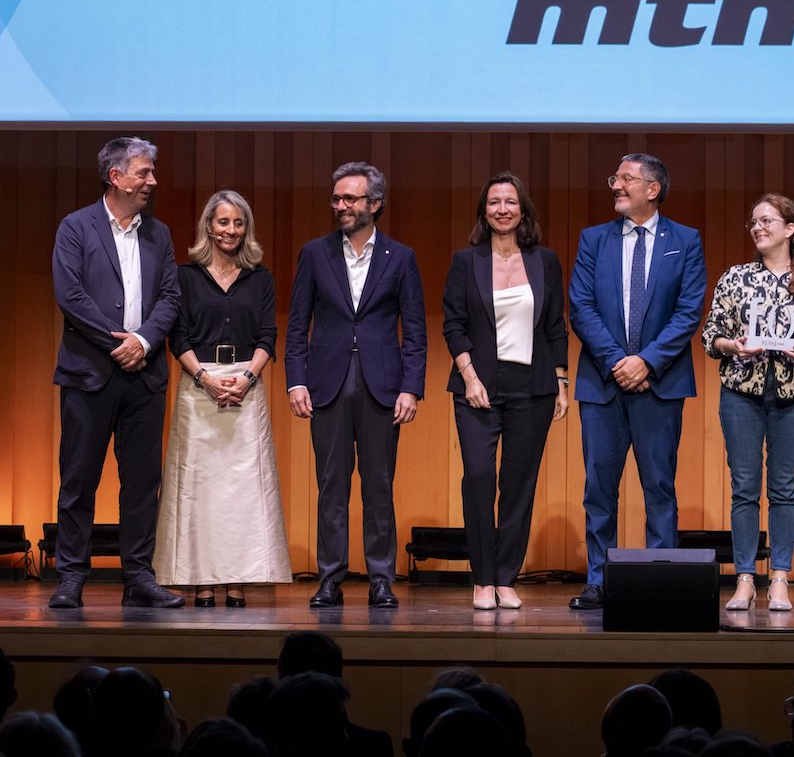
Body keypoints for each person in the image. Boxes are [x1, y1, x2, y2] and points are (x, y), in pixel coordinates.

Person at [567, 153, 707, 610]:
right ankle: (598, 580)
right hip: (603, 383)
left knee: (659, 487)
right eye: (615, 177)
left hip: (660, 385)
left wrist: (646, 362)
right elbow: (581, 307)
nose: (616, 186)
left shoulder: (685, 240)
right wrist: (619, 363)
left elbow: (688, 311)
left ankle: (660, 581)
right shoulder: (594, 239)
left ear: (653, 189)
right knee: (598, 489)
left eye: (626, 179)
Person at [49, 136, 183, 609]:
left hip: (144, 376)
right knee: (78, 481)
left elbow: (170, 297)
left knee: (143, 484)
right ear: (116, 177)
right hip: (89, 375)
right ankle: (71, 577)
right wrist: (119, 344)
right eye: (144, 172)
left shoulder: (159, 234)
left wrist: (143, 342)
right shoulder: (76, 227)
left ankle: (138, 577)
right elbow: (71, 296)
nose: (152, 181)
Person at [285, 161, 426, 608]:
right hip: (326, 384)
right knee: (331, 486)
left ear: (375, 204)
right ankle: (330, 578)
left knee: (379, 486)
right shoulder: (315, 253)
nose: (341, 205)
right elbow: (297, 324)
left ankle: (381, 578)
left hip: (382, 387)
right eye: (337, 198)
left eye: (350, 198)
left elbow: (415, 329)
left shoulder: (400, 257)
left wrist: (411, 387)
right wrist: (295, 381)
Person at [701, 194, 794, 612]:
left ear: (789, 229)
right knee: (744, 488)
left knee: (784, 489)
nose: (758, 228)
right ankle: (745, 578)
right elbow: (711, 334)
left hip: (793, 396)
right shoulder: (735, 278)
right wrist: (734, 345)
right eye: (753, 222)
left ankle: (779, 577)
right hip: (741, 395)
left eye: (766, 221)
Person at [153, 190, 291, 607]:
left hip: (246, 385)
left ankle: (237, 581)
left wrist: (247, 377)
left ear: (246, 229)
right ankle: (201, 580)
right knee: (200, 491)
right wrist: (205, 378)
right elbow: (178, 337)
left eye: (238, 223)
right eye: (223, 222)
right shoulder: (185, 277)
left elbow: (268, 334)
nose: (230, 230)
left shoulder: (260, 278)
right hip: (199, 385)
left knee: (242, 494)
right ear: (209, 227)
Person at [442, 172, 570, 611]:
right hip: (477, 387)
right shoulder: (466, 261)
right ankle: (482, 578)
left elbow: (555, 325)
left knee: (519, 484)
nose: (502, 209)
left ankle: (505, 577)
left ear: (522, 210)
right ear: (484, 211)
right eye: (494, 202)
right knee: (479, 478)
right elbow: (453, 324)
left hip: (533, 388)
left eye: (510, 202)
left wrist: (561, 383)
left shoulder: (544, 260)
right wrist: (470, 376)